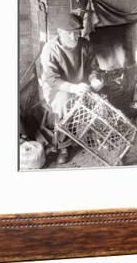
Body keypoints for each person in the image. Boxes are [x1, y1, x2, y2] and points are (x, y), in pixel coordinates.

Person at [40, 13, 104, 163]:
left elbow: (94, 68)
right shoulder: (50, 49)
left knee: (101, 96)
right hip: (58, 88)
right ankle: (64, 145)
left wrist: (94, 78)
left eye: (77, 33)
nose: (74, 37)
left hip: (80, 83)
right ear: (60, 33)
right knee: (64, 102)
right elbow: (52, 79)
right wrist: (72, 88)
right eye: (70, 34)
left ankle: (91, 133)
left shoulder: (85, 45)